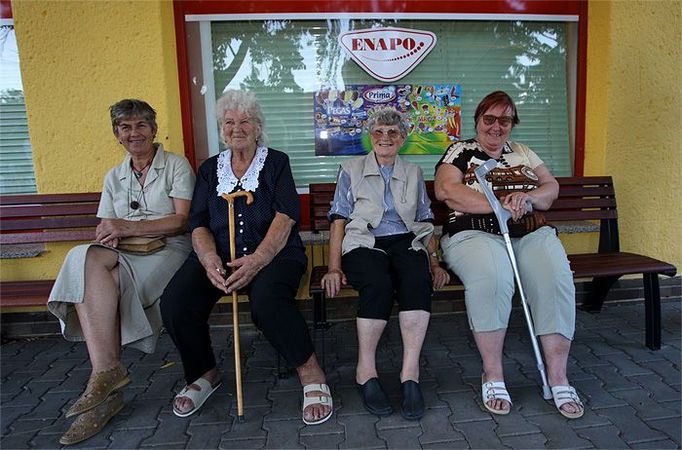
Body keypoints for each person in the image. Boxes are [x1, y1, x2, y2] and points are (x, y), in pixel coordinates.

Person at [160, 90, 332, 425]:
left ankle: (311, 374)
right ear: (222, 128)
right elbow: (197, 221)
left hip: (276, 254)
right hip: (220, 255)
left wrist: (258, 259)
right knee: (176, 302)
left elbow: (286, 215)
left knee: (268, 303)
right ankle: (204, 373)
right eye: (229, 122)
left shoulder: (276, 162)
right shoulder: (210, 169)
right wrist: (209, 258)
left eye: (245, 121)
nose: (237, 128)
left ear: (257, 127)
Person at [48, 99, 196, 445]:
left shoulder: (175, 165)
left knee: (98, 281)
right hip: (126, 253)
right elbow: (107, 224)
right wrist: (109, 233)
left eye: (141, 125)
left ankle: (104, 385)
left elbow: (180, 221)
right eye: (126, 127)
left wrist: (125, 227)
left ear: (154, 130)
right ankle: (106, 376)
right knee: (86, 261)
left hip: (169, 249)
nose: (134, 133)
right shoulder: (114, 176)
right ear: (117, 135)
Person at [434, 90, 584, 419]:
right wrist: (498, 205)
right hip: (473, 232)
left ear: (512, 124)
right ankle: (493, 373)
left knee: (555, 277)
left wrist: (527, 199)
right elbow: (446, 190)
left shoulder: (523, 153)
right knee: (494, 276)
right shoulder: (461, 151)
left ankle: (558, 377)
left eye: (505, 120)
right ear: (477, 122)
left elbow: (551, 188)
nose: (496, 127)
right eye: (489, 119)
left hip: (527, 231)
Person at [321, 106, 450, 421]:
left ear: (403, 138)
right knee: (377, 285)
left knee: (417, 281)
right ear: (370, 136)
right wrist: (333, 267)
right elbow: (338, 220)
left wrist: (434, 263)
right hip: (363, 241)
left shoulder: (414, 172)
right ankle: (365, 371)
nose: (385, 137)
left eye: (393, 132)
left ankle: (410, 374)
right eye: (378, 131)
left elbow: (423, 220)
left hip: (405, 239)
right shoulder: (350, 169)